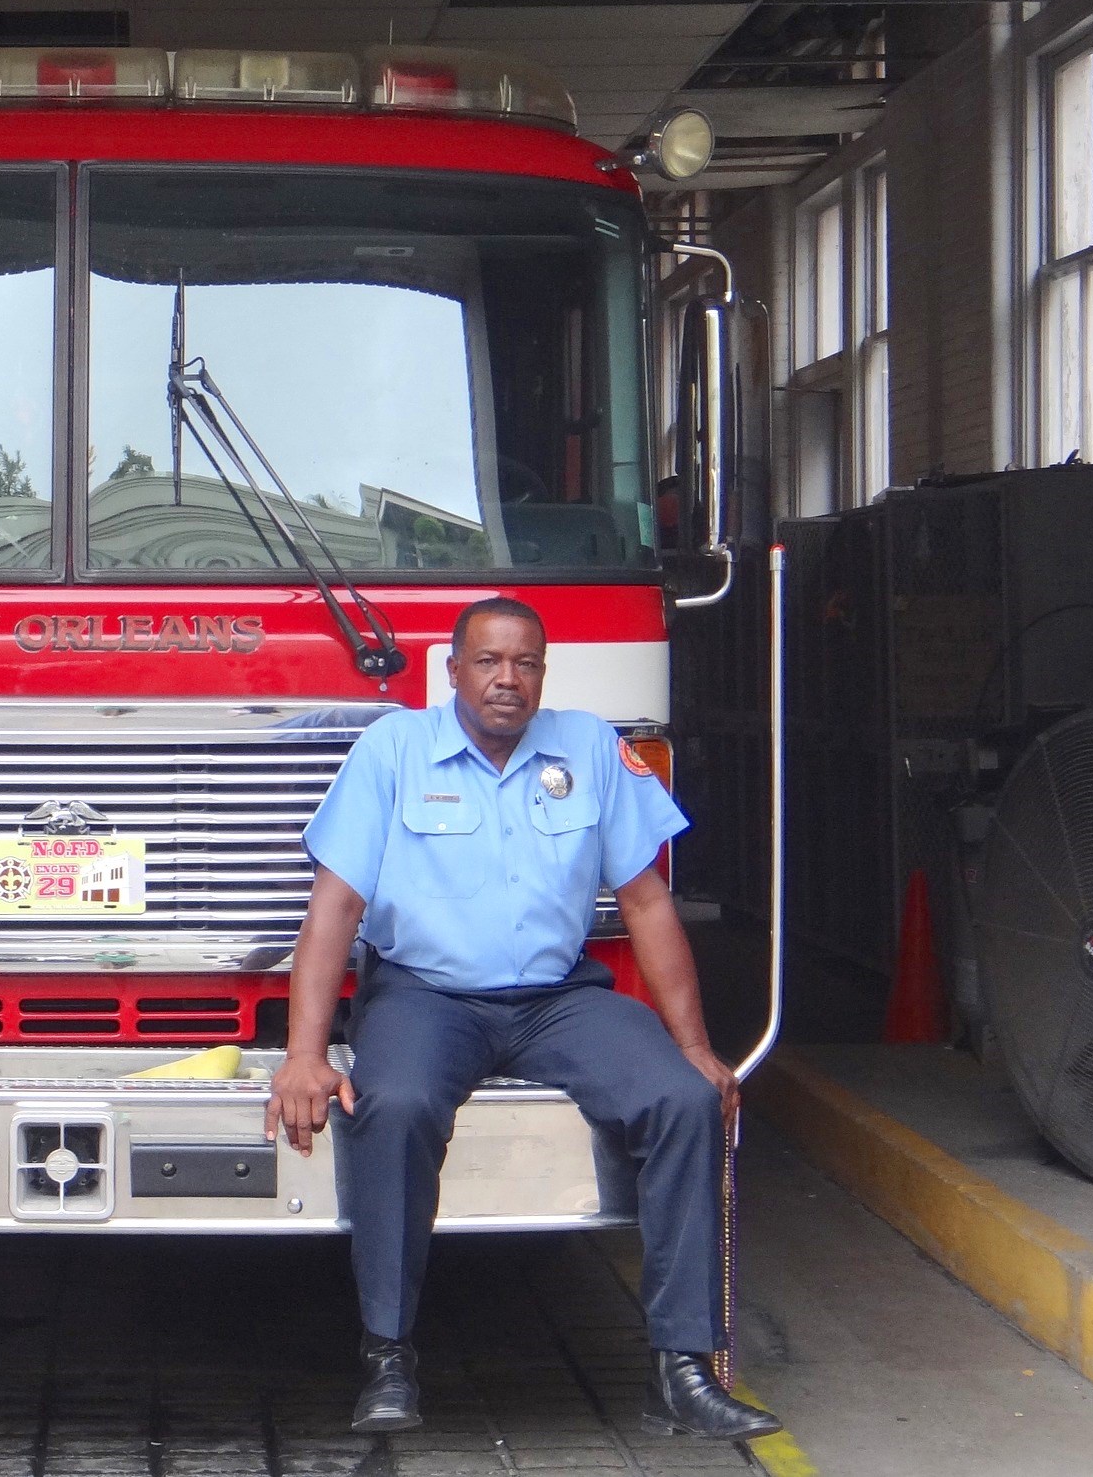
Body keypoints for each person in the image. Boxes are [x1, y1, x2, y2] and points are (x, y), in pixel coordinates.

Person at [264, 596, 782, 1443]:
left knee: (684, 1100)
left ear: (544, 671)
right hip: (427, 997)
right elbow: (334, 909)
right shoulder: (392, 751)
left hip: (557, 1000)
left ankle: (681, 1371)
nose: (508, 679)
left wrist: (694, 1047)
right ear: (454, 670)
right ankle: (388, 1352)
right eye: (489, 661)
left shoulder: (589, 748)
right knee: (389, 1105)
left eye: (526, 663)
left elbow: (648, 904)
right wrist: (304, 1055)